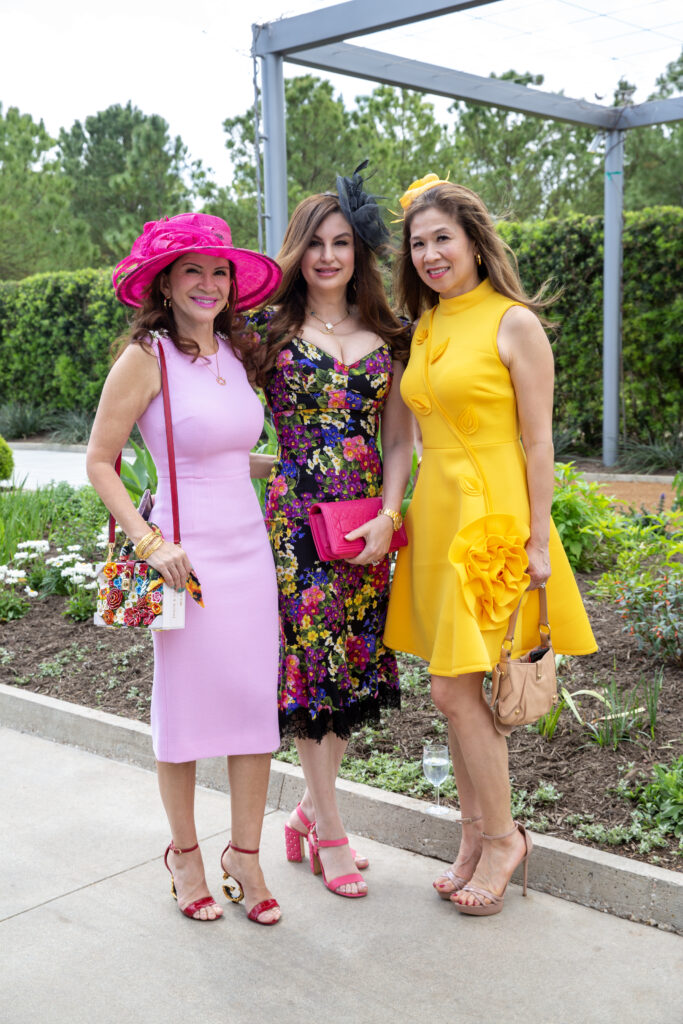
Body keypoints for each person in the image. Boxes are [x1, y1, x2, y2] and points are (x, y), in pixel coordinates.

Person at [384, 175, 597, 917]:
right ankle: (475, 835)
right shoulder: (425, 327)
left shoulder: (512, 323)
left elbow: (538, 442)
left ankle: (502, 838)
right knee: (455, 691)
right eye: (418, 243)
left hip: (495, 526)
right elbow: (408, 433)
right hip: (438, 518)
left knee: (452, 688)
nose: (431, 253)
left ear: (474, 242)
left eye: (443, 237)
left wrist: (538, 540)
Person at [86, 213, 284, 925]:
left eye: (220, 271)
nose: (209, 283)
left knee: (251, 707)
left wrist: (270, 466)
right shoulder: (146, 356)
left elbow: (224, 446)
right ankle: (185, 853)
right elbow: (98, 460)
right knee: (187, 711)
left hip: (247, 550)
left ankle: (246, 854)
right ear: (165, 283)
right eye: (193, 271)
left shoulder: (235, 350)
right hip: (183, 558)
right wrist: (147, 542)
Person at [252, 165, 414, 898]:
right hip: (296, 525)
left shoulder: (388, 333)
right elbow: (205, 398)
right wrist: (250, 466)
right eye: (314, 243)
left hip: (365, 530)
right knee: (314, 668)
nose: (326, 256)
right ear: (297, 250)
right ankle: (330, 832)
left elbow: (399, 441)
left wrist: (389, 512)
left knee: (349, 669)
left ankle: (304, 812)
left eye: (341, 242)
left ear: (359, 253)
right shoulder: (267, 331)